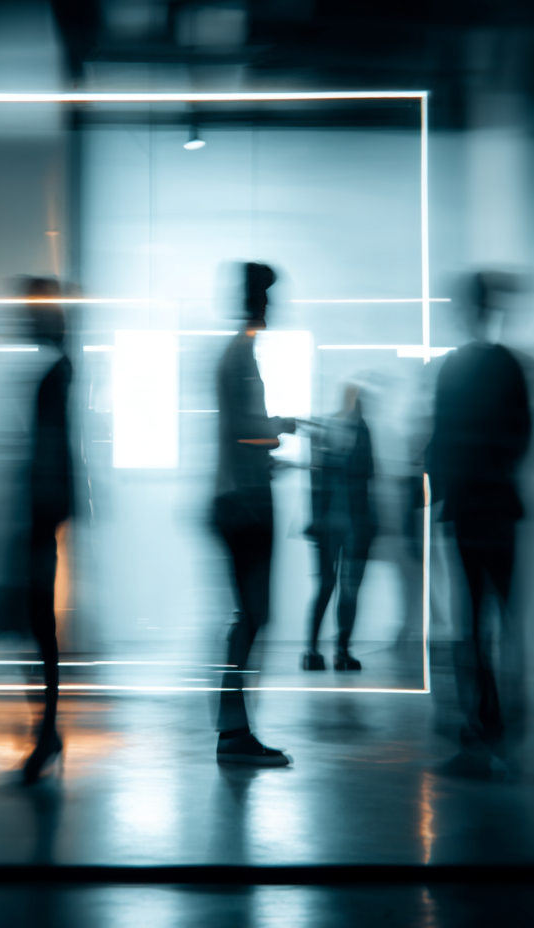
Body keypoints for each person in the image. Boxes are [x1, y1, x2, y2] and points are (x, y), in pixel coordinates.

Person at [428, 270, 531, 776]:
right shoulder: (509, 366)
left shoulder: (454, 369)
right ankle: (498, 726)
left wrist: (438, 495)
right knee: (502, 622)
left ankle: (482, 726)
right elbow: (521, 436)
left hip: (469, 513)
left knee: (471, 626)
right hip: (499, 511)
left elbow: (437, 442)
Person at [0, 276, 73, 784]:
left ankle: (46, 732)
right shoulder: (51, 367)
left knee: (35, 625)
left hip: (33, 516)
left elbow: (47, 451)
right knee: (35, 626)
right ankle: (46, 730)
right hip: (34, 514)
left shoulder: (49, 370)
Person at [212, 262, 296, 766]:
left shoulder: (236, 353)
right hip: (245, 505)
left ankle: (234, 727)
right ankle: (234, 729)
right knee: (253, 616)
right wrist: (280, 425)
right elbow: (247, 427)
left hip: (240, 497)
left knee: (250, 616)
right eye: (266, 296)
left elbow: (238, 434)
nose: (271, 306)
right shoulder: (240, 354)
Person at [301, 383, 377, 671]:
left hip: (347, 524)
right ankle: (325, 650)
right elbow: (366, 477)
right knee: (333, 586)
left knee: (340, 587)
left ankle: (333, 650)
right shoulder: (344, 431)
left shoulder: (353, 431)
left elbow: (365, 478)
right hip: (339, 524)